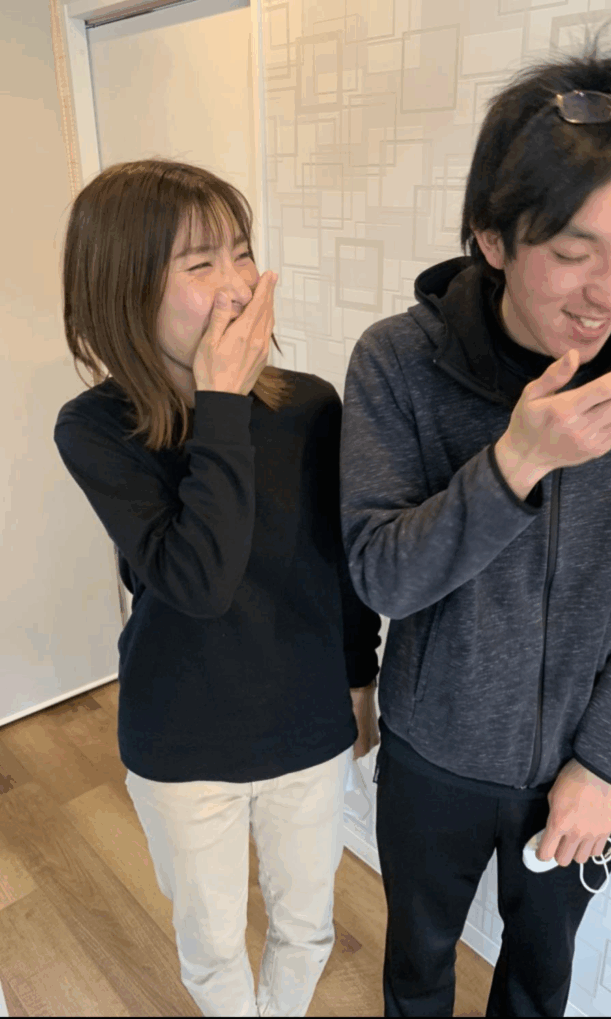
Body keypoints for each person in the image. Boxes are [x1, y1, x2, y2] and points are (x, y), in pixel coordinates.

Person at [339, 44, 611, 1018]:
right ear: (491, 237)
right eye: (573, 252)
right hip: (432, 750)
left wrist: (603, 762)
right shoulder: (397, 361)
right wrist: (512, 465)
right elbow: (380, 573)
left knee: (538, 982)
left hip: (580, 768)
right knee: (417, 967)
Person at [53, 158, 381, 1018]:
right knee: (211, 945)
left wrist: (361, 678)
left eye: (242, 252)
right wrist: (222, 404)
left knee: (307, 929)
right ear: (124, 291)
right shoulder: (96, 429)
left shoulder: (310, 406)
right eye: (201, 264)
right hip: (181, 739)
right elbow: (198, 580)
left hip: (307, 723)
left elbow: (342, 565)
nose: (238, 285)